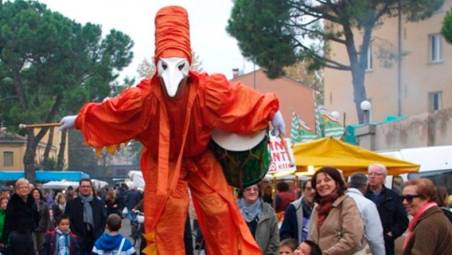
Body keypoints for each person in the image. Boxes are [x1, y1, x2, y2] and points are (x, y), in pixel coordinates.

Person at [59, 5, 285, 255]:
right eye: (165, 66)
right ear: (157, 65)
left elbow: (238, 99)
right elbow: (114, 110)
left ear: (188, 63)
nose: (172, 76)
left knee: (220, 209)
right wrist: (81, 119)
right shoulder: (143, 98)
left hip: (201, 157)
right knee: (169, 215)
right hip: (163, 162)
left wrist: (270, 110)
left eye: (179, 66)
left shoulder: (207, 90)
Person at [308, 167, 365, 255]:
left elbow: (352, 238)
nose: (322, 184)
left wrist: (327, 254)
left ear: (337, 182)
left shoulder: (347, 203)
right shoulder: (318, 208)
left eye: (327, 180)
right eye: (318, 182)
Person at [365, 163, 408, 255]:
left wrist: (391, 234)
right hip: (364, 244)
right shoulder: (362, 196)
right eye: (370, 174)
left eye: (377, 174)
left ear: (384, 177)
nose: (372, 176)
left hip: (386, 245)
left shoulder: (393, 196)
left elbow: (403, 221)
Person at [401, 178, 452, 255]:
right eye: (402, 198)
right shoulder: (434, 216)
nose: (404, 202)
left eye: (409, 198)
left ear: (426, 198)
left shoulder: (428, 224)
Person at [346, 173, 385, 255]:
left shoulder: (336, 201)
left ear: (348, 184)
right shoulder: (367, 204)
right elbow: (375, 238)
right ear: (366, 186)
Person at [64, 178, 106, 255]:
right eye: (83, 186)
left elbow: (103, 220)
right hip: (78, 238)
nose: (85, 188)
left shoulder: (99, 203)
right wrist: (74, 234)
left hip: (95, 237)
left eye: (87, 186)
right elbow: (68, 220)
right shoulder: (71, 204)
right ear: (79, 188)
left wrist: (99, 233)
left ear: (91, 188)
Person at [238, 184, 280, 254]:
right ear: (242, 192)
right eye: (248, 189)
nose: (252, 192)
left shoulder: (268, 210)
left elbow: (274, 238)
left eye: (255, 189)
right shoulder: (234, 209)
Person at [2, 178, 39, 255]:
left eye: (26, 187)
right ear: (17, 189)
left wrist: (33, 226)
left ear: (29, 189)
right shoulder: (12, 201)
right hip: (16, 234)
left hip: (29, 234)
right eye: (21, 187)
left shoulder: (31, 201)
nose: (24, 189)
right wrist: (4, 239)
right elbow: (7, 221)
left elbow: (36, 216)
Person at [32, 188, 51, 253]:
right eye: (34, 193)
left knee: (41, 247)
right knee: (34, 248)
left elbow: (47, 218)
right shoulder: (29, 204)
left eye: (37, 193)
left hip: (42, 229)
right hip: (32, 229)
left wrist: (47, 229)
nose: (36, 194)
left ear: (40, 194)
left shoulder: (44, 204)